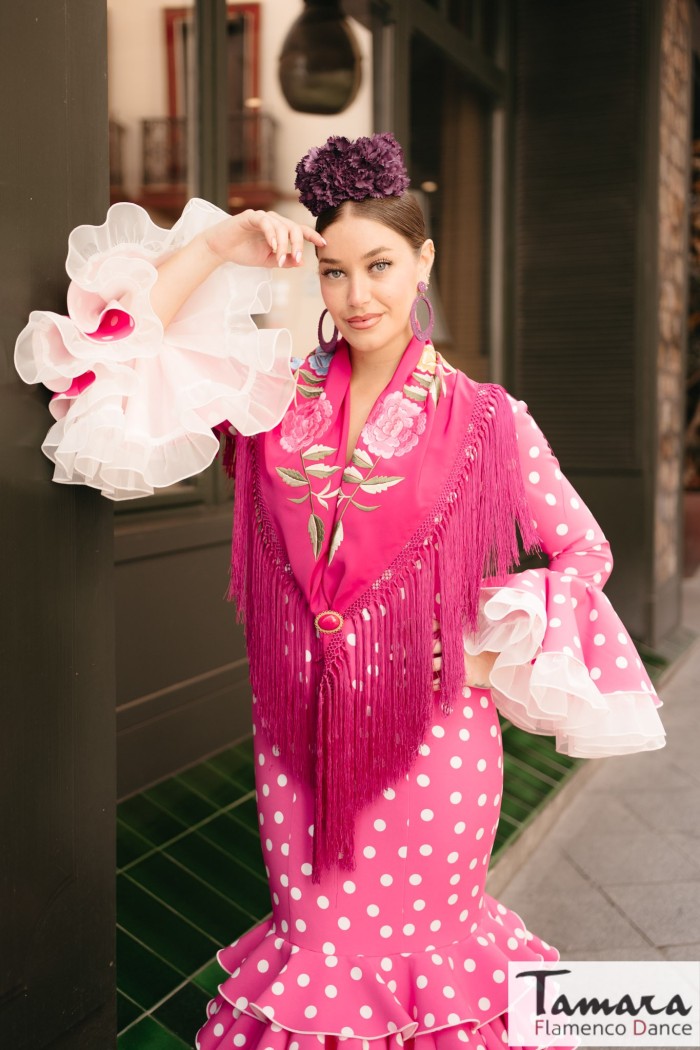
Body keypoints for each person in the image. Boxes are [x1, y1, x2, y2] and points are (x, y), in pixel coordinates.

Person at [15, 133, 666, 1050]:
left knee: (434, 968)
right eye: (332, 271)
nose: (356, 295)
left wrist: (481, 653)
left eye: (380, 265)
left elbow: (583, 554)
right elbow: (105, 374)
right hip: (297, 746)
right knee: (318, 958)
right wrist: (215, 247)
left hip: (433, 748)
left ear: (423, 261)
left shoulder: (486, 421)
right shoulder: (272, 400)